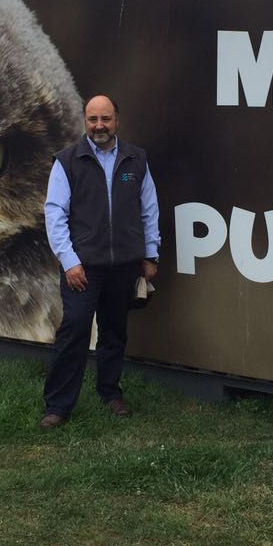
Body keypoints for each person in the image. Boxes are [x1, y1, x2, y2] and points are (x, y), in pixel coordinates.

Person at [40, 94, 160, 428]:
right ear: (85, 121)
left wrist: (151, 254)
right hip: (83, 267)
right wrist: (70, 262)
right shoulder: (67, 162)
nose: (99, 126)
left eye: (105, 119)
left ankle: (110, 393)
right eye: (93, 119)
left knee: (114, 332)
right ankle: (58, 406)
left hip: (124, 264)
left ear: (116, 120)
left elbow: (149, 209)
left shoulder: (136, 160)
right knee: (75, 330)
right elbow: (55, 215)